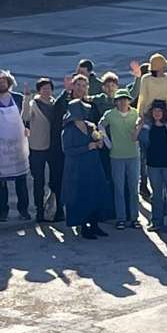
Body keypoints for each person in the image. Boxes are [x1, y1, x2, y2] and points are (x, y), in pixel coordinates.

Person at [0, 70, 31, 221]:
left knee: (21, 181)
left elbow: (28, 118)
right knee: (0, 183)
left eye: (4, 81)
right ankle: (3, 211)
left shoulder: (19, 99)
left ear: (9, 82)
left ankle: (23, 210)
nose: (1, 83)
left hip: (18, 147)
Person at [60, 100, 110, 239]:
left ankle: (94, 224)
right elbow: (67, 150)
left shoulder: (90, 126)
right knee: (80, 196)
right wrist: (86, 148)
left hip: (93, 165)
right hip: (77, 168)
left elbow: (97, 139)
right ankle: (83, 227)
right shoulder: (68, 130)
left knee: (95, 194)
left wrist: (99, 143)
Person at [137, 100, 167, 232]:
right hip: (153, 164)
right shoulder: (147, 127)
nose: (157, 113)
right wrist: (140, 124)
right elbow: (137, 139)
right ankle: (157, 221)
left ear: (164, 113)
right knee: (156, 193)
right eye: (155, 110)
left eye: (160, 111)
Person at [22, 78, 61, 222]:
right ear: (39, 90)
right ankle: (39, 210)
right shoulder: (34, 104)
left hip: (53, 148)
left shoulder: (55, 103)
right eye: (43, 88)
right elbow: (25, 117)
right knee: (39, 180)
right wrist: (26, 98)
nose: (46, 91)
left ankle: (55, 208)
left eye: (49, 88)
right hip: (37, 147)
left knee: (55, 179)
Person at [101, 88, 140, 229]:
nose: (123, 102)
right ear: (116, 101)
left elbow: (142, 127)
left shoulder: (136, 113)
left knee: (133, 188)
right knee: (118, 189)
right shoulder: (110, 114)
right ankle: (121, 218)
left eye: (125, 99)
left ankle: (135, 218)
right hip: (116, 156)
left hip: (134, 155)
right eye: (120, 99)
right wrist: (107, 141)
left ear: (129, 100)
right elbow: (100, 126)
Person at [133, 53, 167, 120]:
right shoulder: (146, 78)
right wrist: (140, 115)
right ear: (158, 68)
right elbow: (142, 98)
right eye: (163, 67)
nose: (165, 68)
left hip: (165, 110)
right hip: (149, 111)